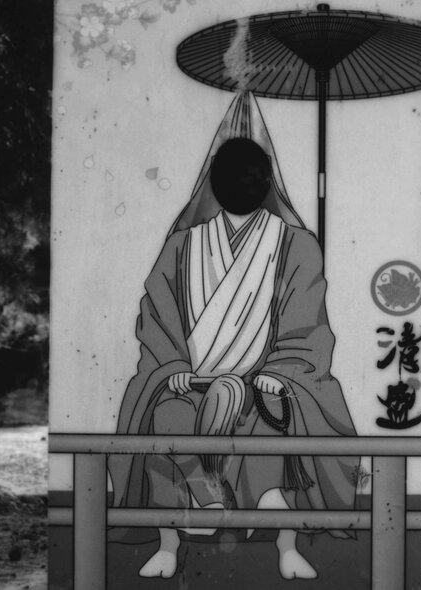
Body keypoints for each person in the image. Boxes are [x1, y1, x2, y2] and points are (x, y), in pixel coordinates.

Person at [107, 124, 358, 581]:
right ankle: (170, 542)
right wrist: (174, 368)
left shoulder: (296, 245)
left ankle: (286, 545)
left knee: (267, 433)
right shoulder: (183, 247)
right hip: (191, 385)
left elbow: (307, 326)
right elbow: (158, 318)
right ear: (215, 185)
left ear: (265, 185)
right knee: (167, 417)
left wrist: (281, 372)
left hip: (262, 387)